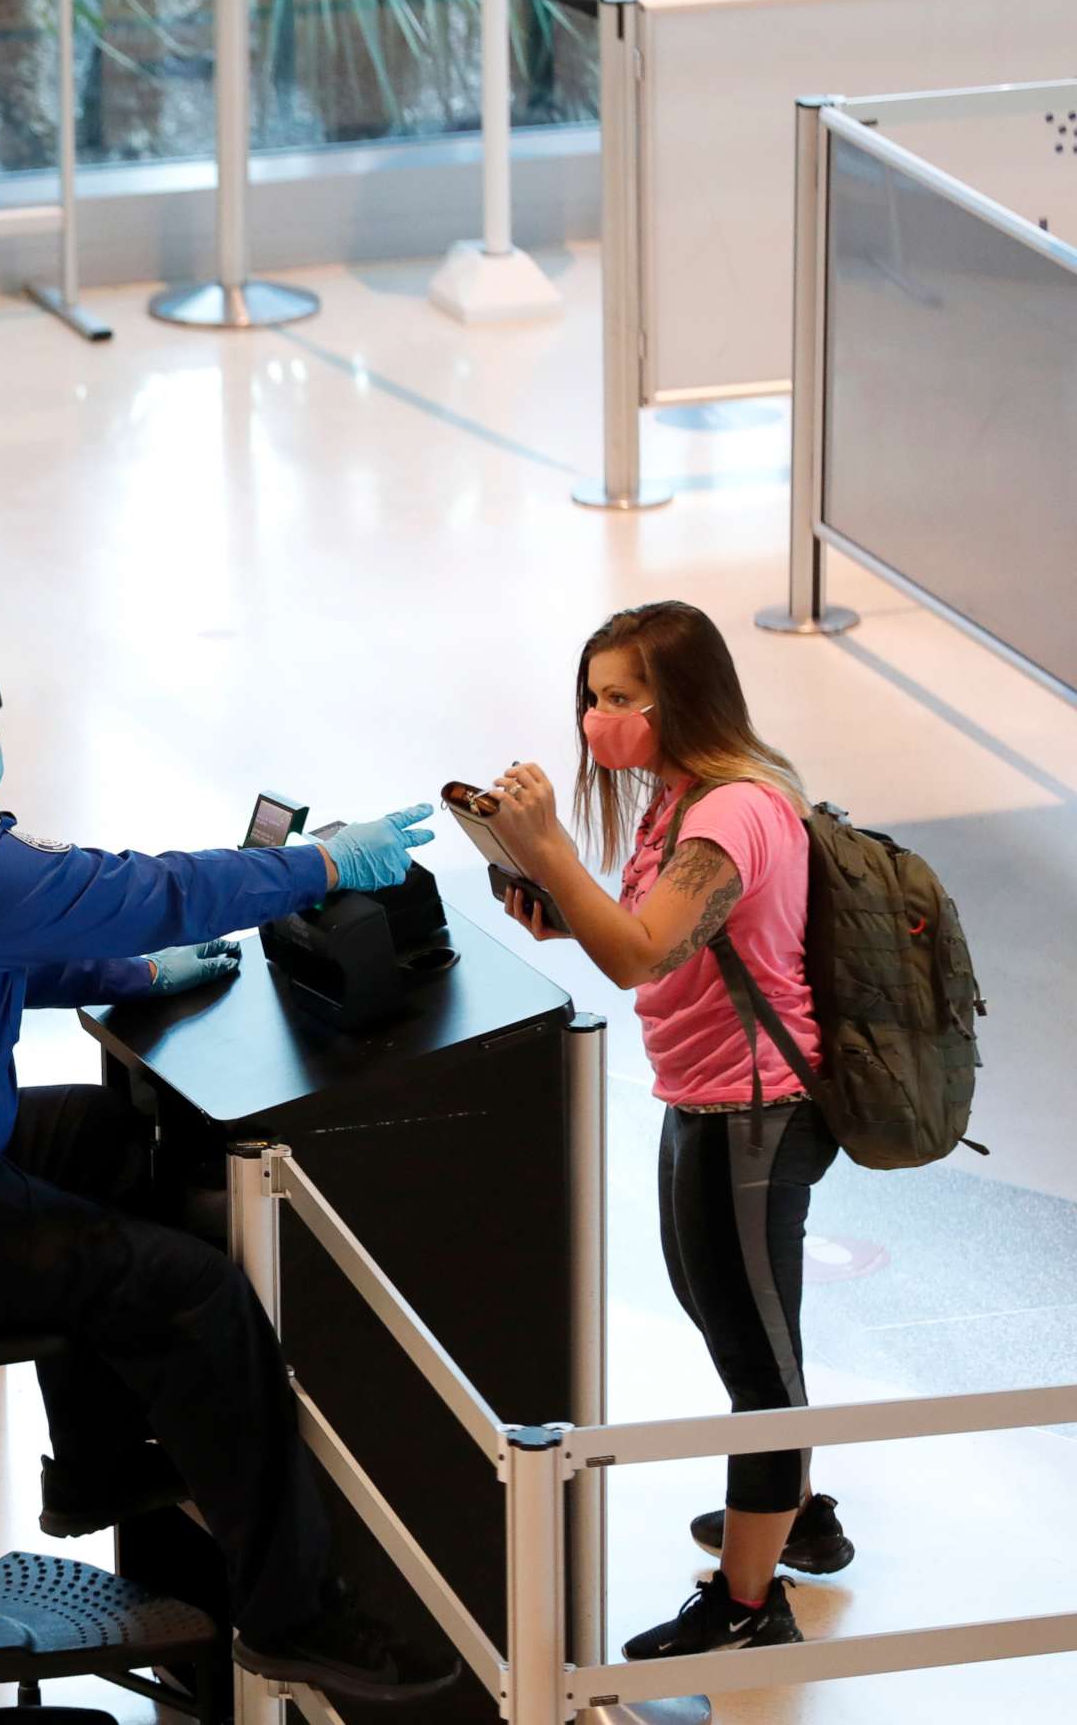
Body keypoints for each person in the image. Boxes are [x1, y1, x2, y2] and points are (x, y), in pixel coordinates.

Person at [0, 632, 456, 1705]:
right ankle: (294, 1613)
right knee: (192, 1290)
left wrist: (136, 975)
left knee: (110, 1144)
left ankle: (100, 1464)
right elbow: (150, 888)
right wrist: (327, 863)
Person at [484, 601, 848, 1662]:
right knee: (731, 1315)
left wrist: (550, 846)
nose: (601, 722)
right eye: (592, 699)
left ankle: (746, 1607)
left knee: (753, 1357)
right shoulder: (677, 797)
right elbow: (651, 940)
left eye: (622, 699)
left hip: (756, 1112)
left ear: (681, 701)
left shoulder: (730, 812)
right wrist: (555, 897)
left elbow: (641, 955)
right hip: (702, 1098)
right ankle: (799, 1514)